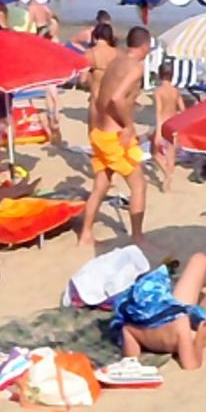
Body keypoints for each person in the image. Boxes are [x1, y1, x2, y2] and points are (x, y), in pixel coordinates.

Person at [112, 253, 206, 370]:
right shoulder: (181, 325)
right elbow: (191, 365)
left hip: (168, 314)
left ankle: (204, 291)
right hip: (202, 325)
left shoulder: (133, 326)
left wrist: (132, 359)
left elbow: (130, 357)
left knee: (199, 259)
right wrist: (202, 337)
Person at [78, 25, 152, 248]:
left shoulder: (115, 62)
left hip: (99, 132)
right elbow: (117, 99)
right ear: (146, 46)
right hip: (114, 136)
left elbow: (102, 97)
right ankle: (137, 238)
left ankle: (85, 236)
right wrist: (128, 126)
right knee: (139, 185)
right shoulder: (135, 66)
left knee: (101, 185)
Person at [152, 59, 185, 192]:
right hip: (174, 122)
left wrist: (158, 132)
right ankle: (168, 182)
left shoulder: (158, 91)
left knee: (154, 153)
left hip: (163, 123)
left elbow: (158, 112)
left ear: (160, 75)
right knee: (171, 153)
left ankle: (166, 174)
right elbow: (183, 109)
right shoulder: (175, 91)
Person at [83, 22, 118, 99]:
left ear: (95, 35)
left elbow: (82, 79)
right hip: (112, 95)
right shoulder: (118, 53)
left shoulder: (89, 53)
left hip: (96, 97)